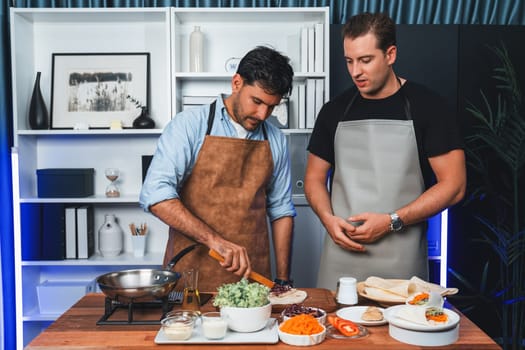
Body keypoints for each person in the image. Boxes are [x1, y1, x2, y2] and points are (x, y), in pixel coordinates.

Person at [304, 12, 466, 289]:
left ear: (390, 55)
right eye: (349, 61)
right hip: (341, 261)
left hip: (401, 265)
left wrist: (392, 221)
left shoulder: (428, 107)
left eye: (366, 60)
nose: (356, 71)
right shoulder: (333, 111)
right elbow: (314, 179)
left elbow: (455, 185)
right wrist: (328, 219)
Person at [140, 46, 296, 291]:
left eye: (272, 106)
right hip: (192, 277)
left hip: (252, 278)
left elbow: (281, 210)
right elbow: (155, 195)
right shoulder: (189, 126)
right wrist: (216, 242)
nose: (263, 114)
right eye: (256, 101)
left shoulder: (275, 139)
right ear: (237, 83)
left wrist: (284, 280)